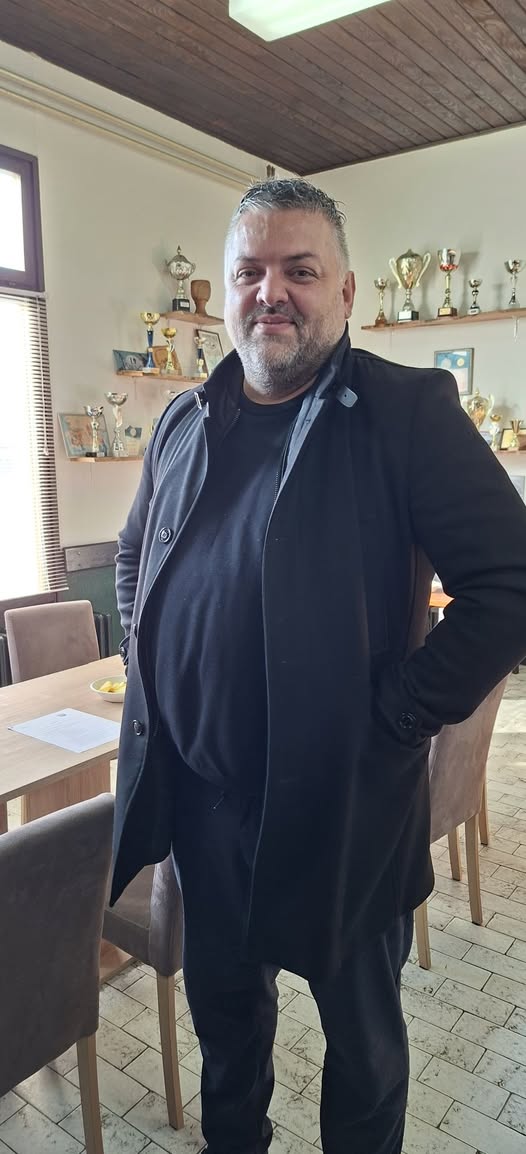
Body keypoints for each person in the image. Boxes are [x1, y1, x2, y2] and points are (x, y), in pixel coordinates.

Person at [111, 179, 526, 1154]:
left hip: (344, 809)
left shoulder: (403, 413)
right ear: (225, 291)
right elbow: (132, 554)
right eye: (249, 272)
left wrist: (398, 714)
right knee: (226, 1029)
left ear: (345, 292)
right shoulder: (183, 419)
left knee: (363, 1050)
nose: (271, 292)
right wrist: (148, 652)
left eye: (299, 270)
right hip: (205, 806)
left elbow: (510, 583)